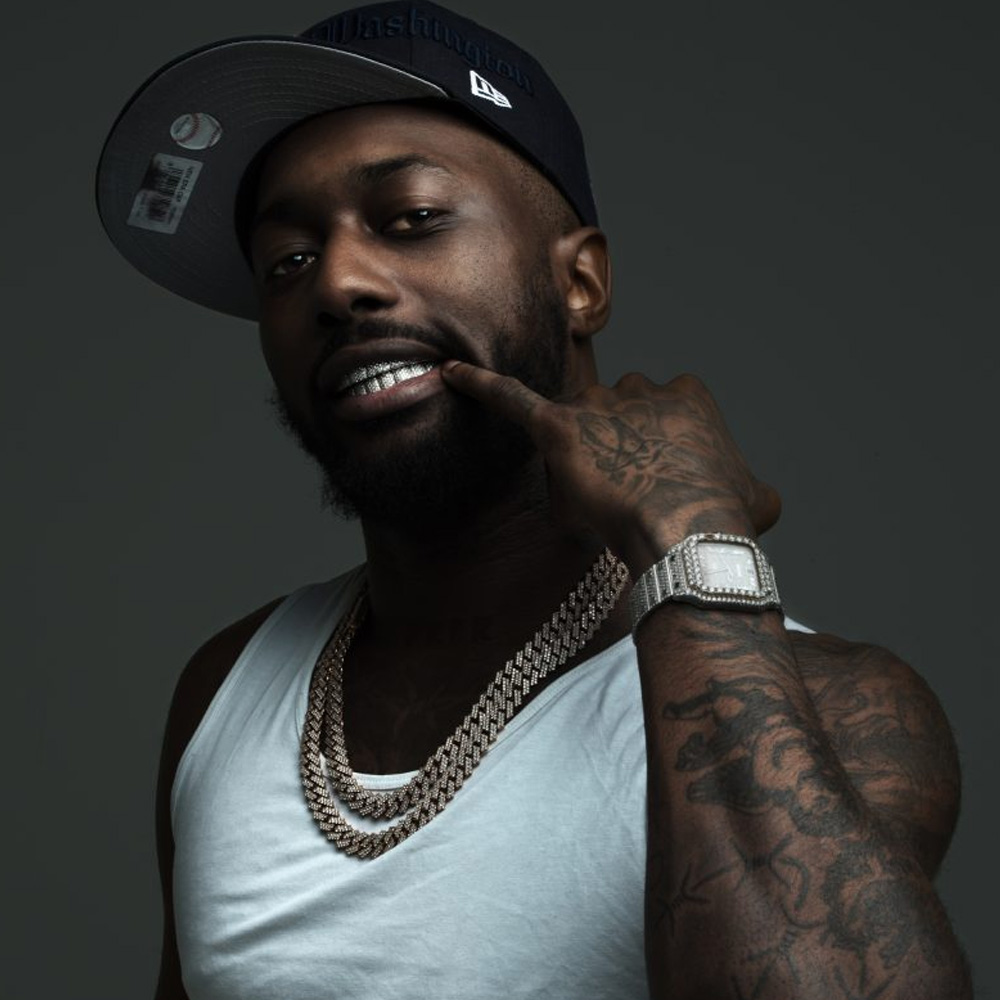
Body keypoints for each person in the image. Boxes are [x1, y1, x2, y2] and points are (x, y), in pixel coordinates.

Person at [96, 3, 970, 998]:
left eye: (411, 218)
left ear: (581, 282)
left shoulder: (830, 703)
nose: (336, 283)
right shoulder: (228, 690)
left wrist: (690, 538)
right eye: (287, 261)